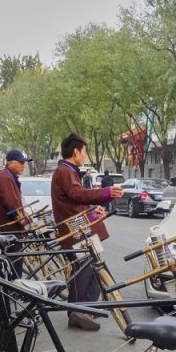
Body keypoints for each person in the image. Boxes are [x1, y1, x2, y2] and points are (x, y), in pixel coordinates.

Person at [50, 133, 122, 331]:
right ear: (76, 151)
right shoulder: (65, 171)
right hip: (74, 229)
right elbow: (77, 194)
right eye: (84, 152)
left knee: (89, 266)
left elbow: (76, 199)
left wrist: (92, 208)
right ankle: (78, 310)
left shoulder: (68, 171)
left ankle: (83, 310)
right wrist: (105, 193)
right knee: (84, 267)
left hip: (77, 225)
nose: (85, 156)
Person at [0, 152, 30, 232]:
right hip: (9, 228)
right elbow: (11, 203)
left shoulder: (9, 176)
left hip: (11, 227)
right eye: (21, 162)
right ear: (11, 163)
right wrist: (23, 221)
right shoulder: (5, 178)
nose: (23, 166)